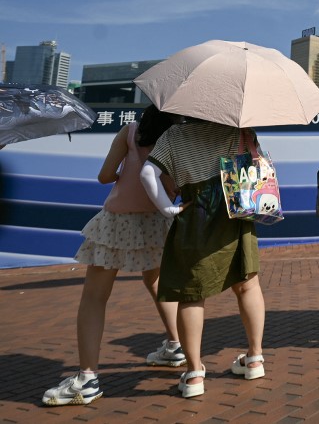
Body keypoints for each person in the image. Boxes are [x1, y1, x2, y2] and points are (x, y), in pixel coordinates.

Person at [42, 106, 182, 407]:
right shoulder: (180, 137)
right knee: (157, 280)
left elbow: (104, 176)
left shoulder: (130, 131)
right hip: (159, 222)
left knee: (94, 297)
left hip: (118, 222)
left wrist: (125, 172)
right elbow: (177, 186)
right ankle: (175, 345)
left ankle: (87, 378)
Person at [140, 117, 268, 398]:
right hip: (237, 211)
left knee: (190, 294)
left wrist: (166, 209)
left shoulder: (174, 135)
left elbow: (147, 173)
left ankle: (195, 373)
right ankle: (255, 358)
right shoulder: (241, 129)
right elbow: (259, 166)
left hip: (196, 213)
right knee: (247, 284)